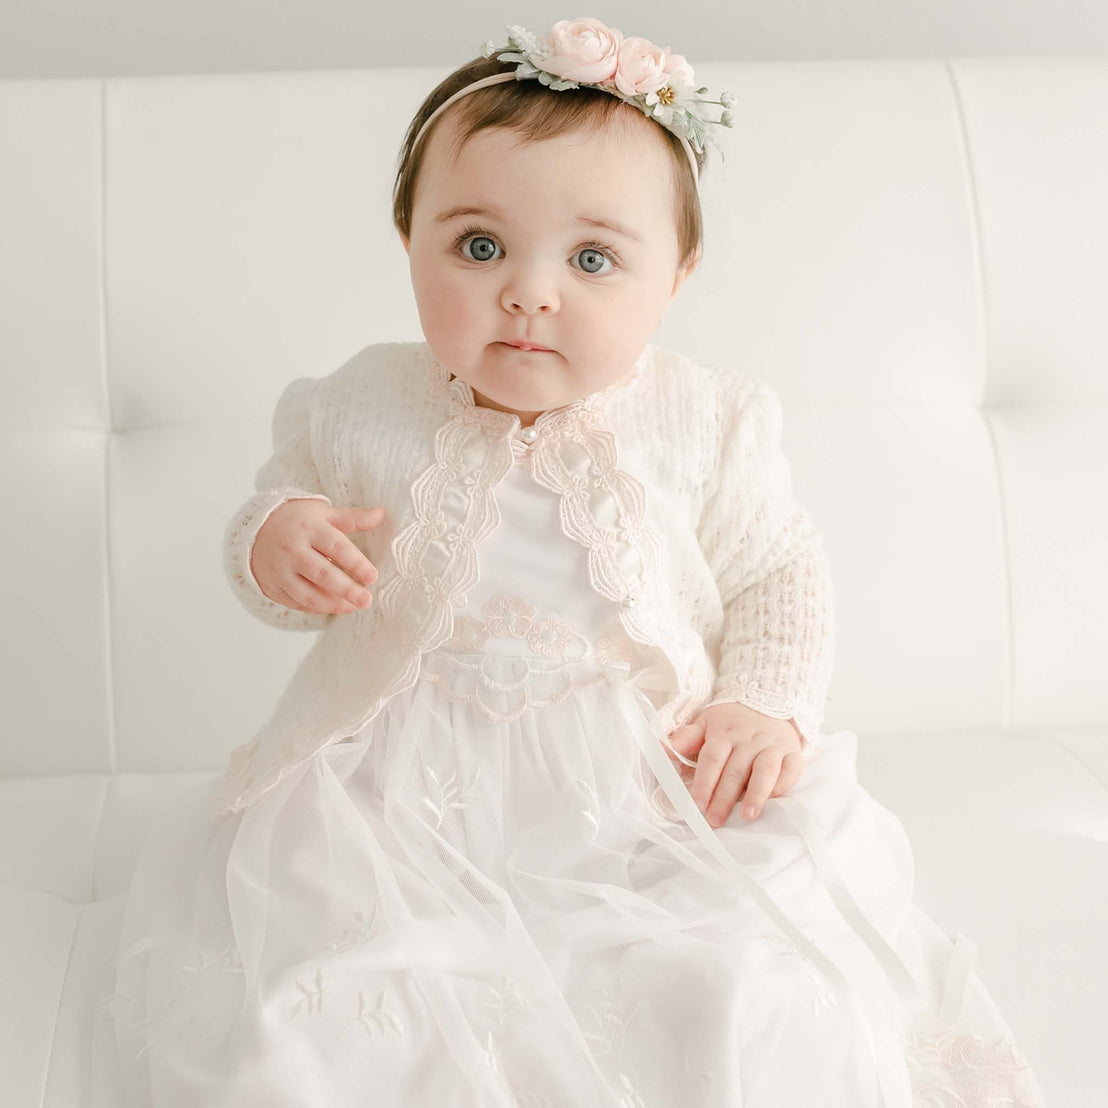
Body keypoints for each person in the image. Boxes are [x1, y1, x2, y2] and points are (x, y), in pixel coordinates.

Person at [90, 17, 1048, 1107]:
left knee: (735, 966)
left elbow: (777, 567)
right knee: (341, 984)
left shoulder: (702, 419)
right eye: (479, 246)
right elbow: (284, 524)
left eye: (591, 258)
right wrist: (275, 542)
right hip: (403, 788)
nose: (530, 291)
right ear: (408, 240)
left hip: (646, 783)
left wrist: (764, 703)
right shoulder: (356, 402)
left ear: (676, 274)